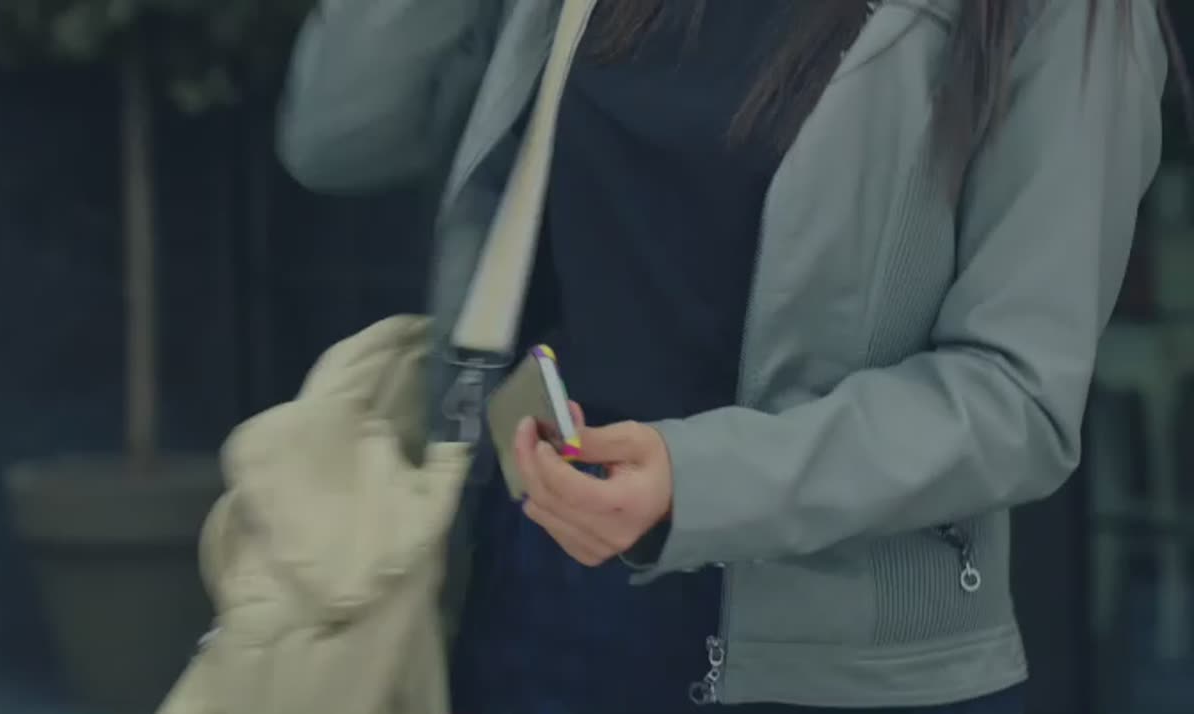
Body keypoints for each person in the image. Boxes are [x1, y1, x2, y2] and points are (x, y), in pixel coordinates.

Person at [276, 1, 1170, 712]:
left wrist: (697, 483)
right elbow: (336, 135)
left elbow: (1016, 397)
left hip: (842, 669)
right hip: (543, 610)